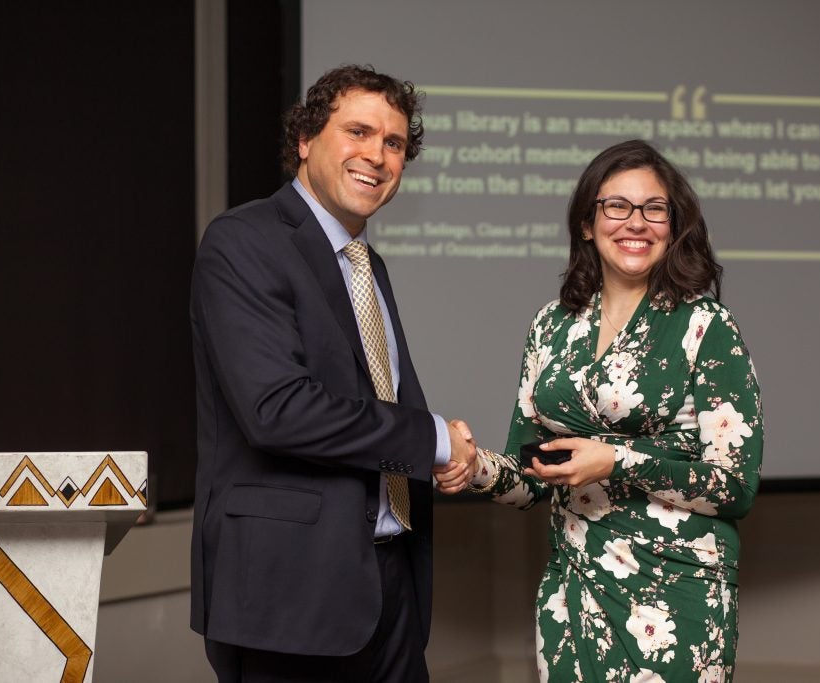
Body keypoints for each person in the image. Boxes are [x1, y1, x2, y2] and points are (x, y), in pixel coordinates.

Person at [189, 64, 476, 683]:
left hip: (389, 583)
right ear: (305, 139)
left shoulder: (367, 264)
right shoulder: (243, 241)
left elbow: (373, 397)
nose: (376, 155)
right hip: (290, 594)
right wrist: (432, 441)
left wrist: (445, 453)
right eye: (358, 132)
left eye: (394, 143)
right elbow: (278, 411)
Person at [464, 139, 763, 682]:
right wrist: (470, 467)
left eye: (654, 209)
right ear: (587, 222)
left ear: (673, 226)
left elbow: (734, 488)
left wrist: (616, 461)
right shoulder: (551, 325)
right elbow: (529, 477)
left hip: (676, 595)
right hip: (573, 586)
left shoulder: (707, 326)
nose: (637, 223)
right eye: (617, 206)